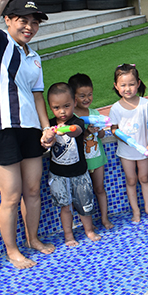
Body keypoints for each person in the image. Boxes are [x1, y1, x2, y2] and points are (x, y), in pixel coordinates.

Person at [0, 0, 55, 269]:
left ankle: (32, 239)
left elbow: (37, 96)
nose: (29, 27)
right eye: (23, 20)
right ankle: (12, 250)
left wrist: (46, 128)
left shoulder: (34, 57)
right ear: (8, 20)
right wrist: (1, 0)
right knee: (11, 195)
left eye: (34, 22)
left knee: (33, 189)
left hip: (29, 128)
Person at [44, 83, 101, 246]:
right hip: (58, 175)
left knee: (85, 205)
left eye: (66, 106)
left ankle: (89, 230)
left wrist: (66, 129)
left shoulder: (77, 121)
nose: (62, 111)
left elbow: (76, 131)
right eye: (56, 108)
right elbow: (44, 142)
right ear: (50, 107)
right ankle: (68, 235)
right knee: (65, 207)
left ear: (74, 103)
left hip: (79, 173)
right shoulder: (49, 125)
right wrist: (48, 136)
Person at [109, 64, 148, 223]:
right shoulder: (115, 108)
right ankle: (135, 211)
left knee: (144, 177)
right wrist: (123, 137)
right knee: (131, 180)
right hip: (126, 152)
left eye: (131, 84)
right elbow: (113, 129)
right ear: (116, 86)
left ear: (138, 83)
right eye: (123, 85)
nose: (127, 88)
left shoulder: (145, 104)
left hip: (143, 150)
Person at [69, 73, 114, 230]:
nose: (87, 99)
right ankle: (86, 223)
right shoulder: (72, 117)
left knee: (99, 189)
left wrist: (98, 130)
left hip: (97, 158)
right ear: (73, 97)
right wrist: (87, 131)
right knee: (83, 194)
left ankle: (104, 218)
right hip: (81, 162)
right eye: (82, 96)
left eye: (90, 94)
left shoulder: (95, 114)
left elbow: (101, 136)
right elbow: (75, 139)